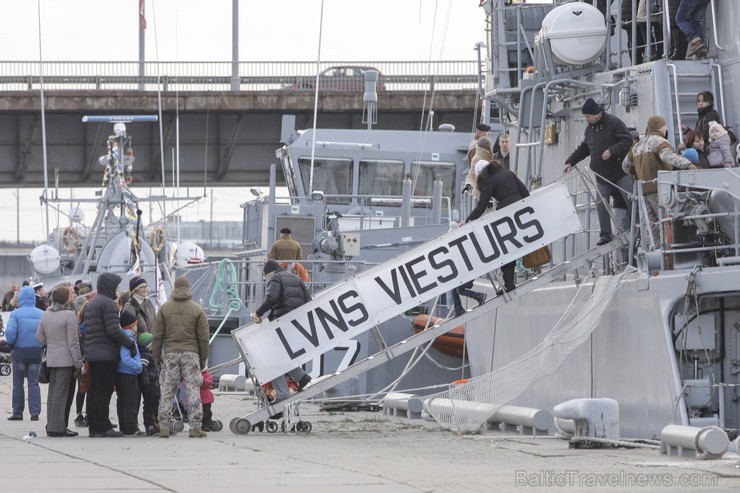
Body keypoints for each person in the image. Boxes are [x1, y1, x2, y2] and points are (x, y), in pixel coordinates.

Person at [564, 98, 634, 246]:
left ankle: (640, 226)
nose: (586, 119)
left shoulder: (614, 123)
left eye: (587, 116)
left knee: (631, 199)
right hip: (601, 175)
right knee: (601, 204)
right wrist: (570, 161)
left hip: (619, 171)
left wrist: (612, 150)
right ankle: (606, 236)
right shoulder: (590, 129)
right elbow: (584, 148)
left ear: (596, 114)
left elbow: (627, 140)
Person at [622, 115, 696, 248]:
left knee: (651, 226)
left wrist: (637, 173)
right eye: (665, 126)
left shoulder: (637, 146)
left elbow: (625, 166)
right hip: (660, 191)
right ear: (661, 127)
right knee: (666, 222)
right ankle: (668, 254)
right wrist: (688, 165)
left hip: (644, 192)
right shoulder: (659, 142)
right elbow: (668, 156)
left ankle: (654, 255)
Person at [152, 276, 210, 438]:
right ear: (188, 288)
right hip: (191, 354)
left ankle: (163, 426)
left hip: (170, 353)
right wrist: (203, 358)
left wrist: (157, 358)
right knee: (193, 390)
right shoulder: (197, 309)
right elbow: (203, 338)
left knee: (167, 390)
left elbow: (157, 336)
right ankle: (195, 426)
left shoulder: (164, 309)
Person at [250, 260, 313, 403]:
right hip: (296, 323)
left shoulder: (276, 278)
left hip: (281, 322)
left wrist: (258, 313)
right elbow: (308, 300)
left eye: (266, 275)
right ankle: (301, 376)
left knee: (271, 358)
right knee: (281, 356)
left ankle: (283, 392)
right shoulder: (296, 278)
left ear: (269, 272)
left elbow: (271, 298)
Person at [464, 159, 530, 293]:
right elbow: (525, 192)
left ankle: (509, 283)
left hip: (506, 215)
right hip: (520, 212)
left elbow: (481, 206)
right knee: (519, 244)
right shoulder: (507, 173)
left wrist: (467, 221)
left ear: (479, 173)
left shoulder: (488, 181)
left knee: (505, 248)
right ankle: (518, 277)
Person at [84, 272, 136, 438]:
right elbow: (113, 329)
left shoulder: (93, 303)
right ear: (110, 286)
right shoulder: (108, 304)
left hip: (92, 353)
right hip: (105, 353)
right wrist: (129, 343)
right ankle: (103, 425)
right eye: (116, 286)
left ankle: (93, 425)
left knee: (94, 390)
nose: (117, 290)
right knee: (104, 391)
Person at [36, 285, 83, 437]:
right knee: (63, 395)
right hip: (66, 360)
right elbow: (73, 342)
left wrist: (53, 344)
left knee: (53, 393)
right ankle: (58, 428)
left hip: (51, 358)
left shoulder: (46, 314)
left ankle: (53, 425)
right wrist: (78, 363)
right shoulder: (68, 315)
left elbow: (40, 338)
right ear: (65, 298)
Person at [4, 285, 44, 421]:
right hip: (36, 352)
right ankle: (35, 412)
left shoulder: (15, 314)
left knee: (18, 384)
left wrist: (11, 344)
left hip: (19, 352)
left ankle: (18, 412)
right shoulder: (41, 313)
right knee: (34, 383)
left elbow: (10, 333)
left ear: (20, 298)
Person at [116, 310, 143, 436]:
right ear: (131, 325)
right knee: (130, 401)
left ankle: (124, 426)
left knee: (122, 401)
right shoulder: (128, 339)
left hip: (121, 373)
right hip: (128, 374)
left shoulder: (123, 336)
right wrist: (138, 366)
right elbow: (125, 357)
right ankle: (131, 428)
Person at [136, 331, 160, 435]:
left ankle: (157, 425)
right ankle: (149, 425)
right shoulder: (145, 355)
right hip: (149, 385)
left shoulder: (151, 355)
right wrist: (145, 384)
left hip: (155, 385)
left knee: (156, 405)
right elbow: (143, 371)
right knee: (149, 406)